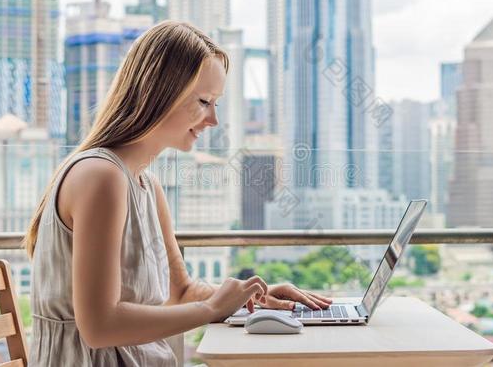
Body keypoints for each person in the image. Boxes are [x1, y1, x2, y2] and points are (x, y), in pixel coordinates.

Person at [23, 21, 332, 366]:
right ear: (159, 93)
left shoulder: (146, 186)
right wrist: (212, 308)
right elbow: (99, 327)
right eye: (204, 101)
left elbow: (180, 293)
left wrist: (252, 297)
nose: (213, 119)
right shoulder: (101, 177)